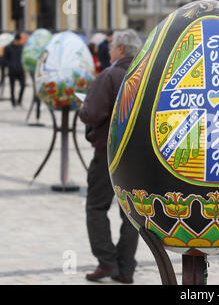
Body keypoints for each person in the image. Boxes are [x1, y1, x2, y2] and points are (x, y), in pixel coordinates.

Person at [79, 29, 142, 284]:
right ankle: (126, 267)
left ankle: (106, 262)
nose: (109, 50)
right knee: (131, 213)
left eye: (113, 46)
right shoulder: (145, 77)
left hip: (109, 153)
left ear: (121, 50)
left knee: (96, 206)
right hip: (138, 156)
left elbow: (92, 113)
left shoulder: (110, 75)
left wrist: (83, 108)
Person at [3, 33, 25, 107]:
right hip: (12, 70)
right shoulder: (8, 47)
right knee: (12, 87)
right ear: (14, 40)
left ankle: (19, 100)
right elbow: (4, 59)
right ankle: (13, 102)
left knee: (23, 85)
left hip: (20, 70)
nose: (18, 42)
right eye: (17, 41)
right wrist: (9, 65)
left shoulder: (22, 47)